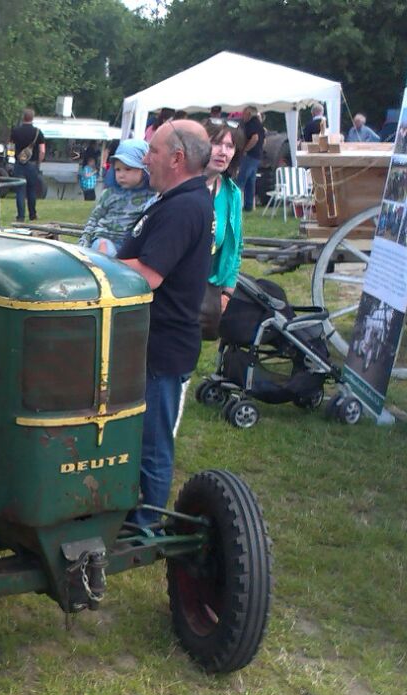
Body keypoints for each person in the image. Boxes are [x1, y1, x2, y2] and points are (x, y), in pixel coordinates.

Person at [117, 119, 213, 527]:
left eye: (152, 152)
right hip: (147, 341)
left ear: (177, 158)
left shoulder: (184, 207)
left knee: (154, 446)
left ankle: (146, 526)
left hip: (161, 346)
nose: (145, 159)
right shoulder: (175, 200)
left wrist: (95, 263)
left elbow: (150, 274)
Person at [77, 140, 154, 255]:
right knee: (104, 248)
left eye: (128, 169)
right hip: (105, 239)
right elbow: (94, 219)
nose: (121, 174)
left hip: (130, 244)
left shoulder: (151, 197)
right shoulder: (109, 194)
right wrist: (83, 243)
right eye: (117, 169)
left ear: (143, 170)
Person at [204, 121, 244, 312]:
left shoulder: (232, 193)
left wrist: (227, 292)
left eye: (230, 146)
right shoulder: (183, 186)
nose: (223, 152)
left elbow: (236, 245)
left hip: (210, 287)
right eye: (216, 143)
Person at [10, 108, 45, 222]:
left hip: (19, 163)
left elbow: (10, 147)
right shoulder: (38, 132)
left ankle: (20, 216)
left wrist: (11, 159)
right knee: (31, 190)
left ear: (23, 117)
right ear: (32, 118)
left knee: (20, 190)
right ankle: (32, 215)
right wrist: (38, 162)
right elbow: (42, 151)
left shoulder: (15, 131)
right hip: (32, 164)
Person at [236, 105, 265, 212]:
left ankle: (235, 205)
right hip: (257, 156)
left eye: (243, 113)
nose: (242, 116)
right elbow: (263, 140)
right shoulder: (259, 124)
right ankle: (248, 206)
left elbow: (255, 137)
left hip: (250, 156)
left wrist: (245, 149)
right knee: (250, 182)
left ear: (249, 114)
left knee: (241, 181)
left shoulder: (251, 124)